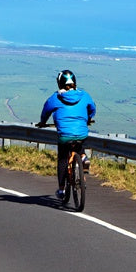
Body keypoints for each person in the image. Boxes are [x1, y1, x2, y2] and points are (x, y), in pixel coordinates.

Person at [38, 69, 96, 199]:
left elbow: (45, 111)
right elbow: (92, 108)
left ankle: (61, 190)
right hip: (81, 132)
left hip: (65, 135)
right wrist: (88, 118)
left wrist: (42, 122)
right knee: (80, 142)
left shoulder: (55, 98)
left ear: (59, 83)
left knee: (63, 158)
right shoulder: (84, 95)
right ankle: (82, 157)